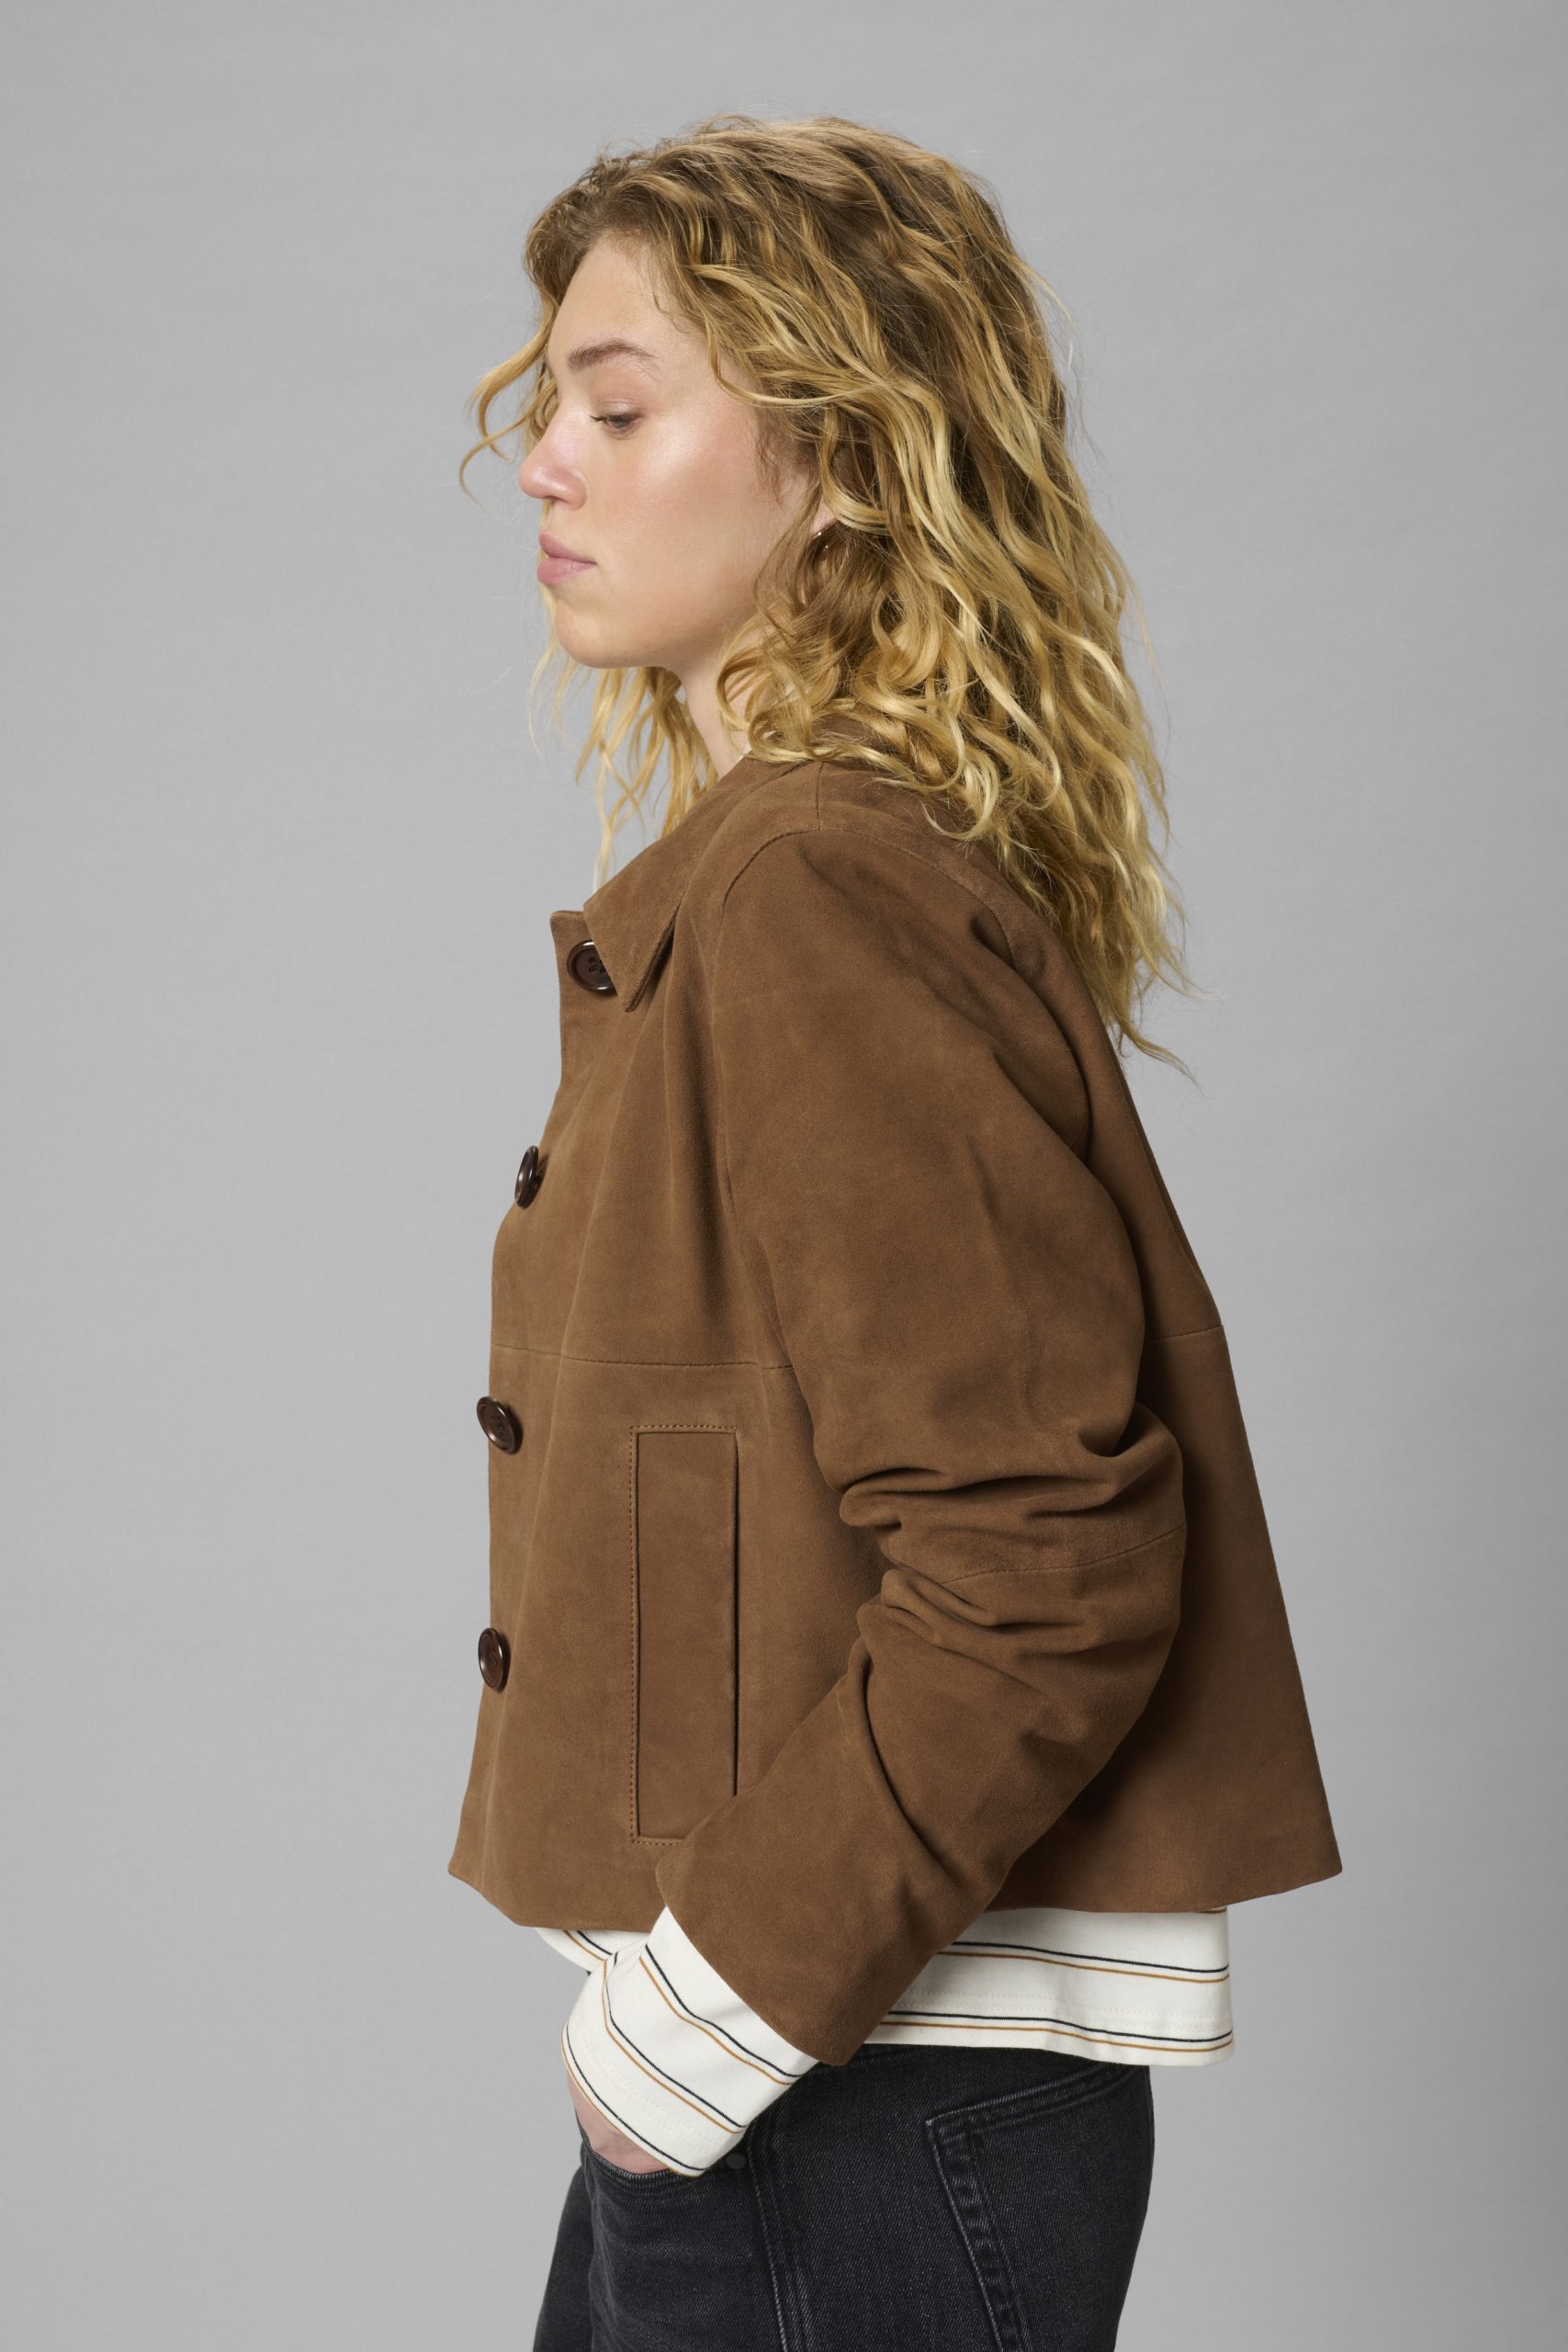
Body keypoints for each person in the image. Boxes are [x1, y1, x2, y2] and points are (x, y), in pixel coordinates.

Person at [449, 113, 1342, 2352]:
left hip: (834, 2077)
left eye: (618, 407)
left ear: (843, 459)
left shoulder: (812, 888)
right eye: (548, 404)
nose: (542, 460)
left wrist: (686, 2026)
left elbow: (1043, 1555)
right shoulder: (800, 865)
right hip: (805, 2064)